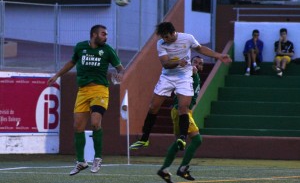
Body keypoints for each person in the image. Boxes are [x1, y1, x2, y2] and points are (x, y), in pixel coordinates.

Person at [129, 21, 231, 152]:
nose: (164, 39)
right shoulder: (161, 44)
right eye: (162, 37)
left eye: (166, 36)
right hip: (167, 77)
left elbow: (200, 48)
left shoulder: (187, 38)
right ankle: (144, 139)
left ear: (173, 33)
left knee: (184, 107)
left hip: (184, 77)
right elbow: (165, 64)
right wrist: (178, 62)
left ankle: (182, 138)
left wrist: (219, 55)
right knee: (153, 107)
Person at [47, 24, 124, 176]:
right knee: (77, 127)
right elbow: (71, 62)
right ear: (94, 35)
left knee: (95, 123)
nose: (106, 37)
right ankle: (81, 161)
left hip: (100, 90)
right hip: (82, 91)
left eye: (106, 34)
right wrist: (57, 75)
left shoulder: (107, 50)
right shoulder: (80, 47)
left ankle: (97, 158)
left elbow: (120, 67)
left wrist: (120, 73)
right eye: (103, 34)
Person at [157, 56, 203, 183]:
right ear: (190, 63)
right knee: (197, 139)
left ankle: (164, 170)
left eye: (200, 64)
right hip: (182, 112)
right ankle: (183, 169)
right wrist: (188, 68)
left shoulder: (195, 76)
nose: (198, 65)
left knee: (179, 143)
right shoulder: (186, 73)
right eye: (195, 62)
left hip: (179, 111)